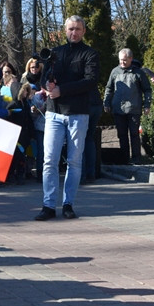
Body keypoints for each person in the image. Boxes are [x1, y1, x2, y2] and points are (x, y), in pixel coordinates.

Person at [35, 15, 101, 221]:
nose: (74, 32)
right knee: (49, 160)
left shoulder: (90, 54)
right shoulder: (55, 53)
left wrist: (62, 90)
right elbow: (44, 77)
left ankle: (68, 203)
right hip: (54, 113)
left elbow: (90, 81)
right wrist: (48, 85)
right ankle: (48, 204)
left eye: (78, 29)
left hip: (78, 113)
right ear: (65, 30)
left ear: (83, 31)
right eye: (71, 29)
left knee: (74, 161)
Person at [103, 48, 153, 164]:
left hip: (134, 108)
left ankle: (136, 158)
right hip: (118, 108)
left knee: (134, 134)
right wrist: (106, 103)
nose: (122, 63)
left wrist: (147, 105)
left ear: (131, 59)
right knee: (121, 134)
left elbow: (147, 90)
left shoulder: (138, 73)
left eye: (125, 60)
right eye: (120, 60)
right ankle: (124, 158)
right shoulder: (115, 72)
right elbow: (109, 88)